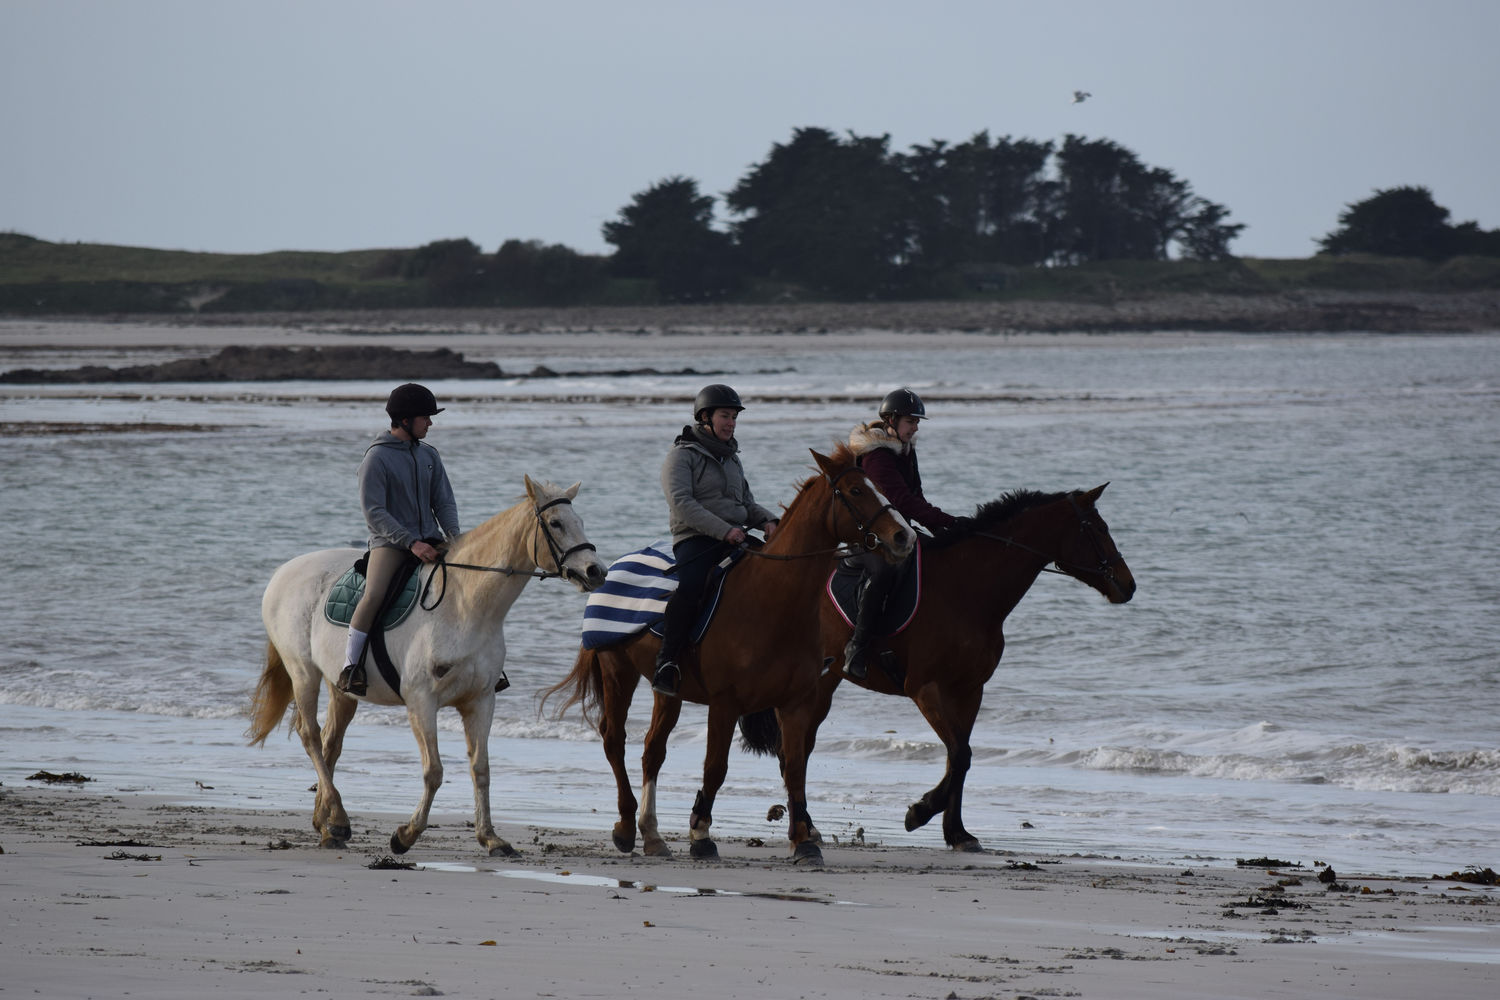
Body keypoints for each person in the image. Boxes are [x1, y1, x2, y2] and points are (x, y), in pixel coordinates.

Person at [652, 384, 779, 697]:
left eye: (735, 417)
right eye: (725, 416)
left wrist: (769, 520)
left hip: (734, 538)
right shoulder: (681, 456)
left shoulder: (732, 459)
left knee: (778, 576)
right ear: (705, 417)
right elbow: (681, 502)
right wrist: (724, 530)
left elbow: (745, 504)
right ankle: (667, 661)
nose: (731, 423)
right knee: (692, 586)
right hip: (695, 539)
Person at [337, 383, 461, 696]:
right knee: (374, 595)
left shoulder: (429, 455)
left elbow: (443, 502)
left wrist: (456, 539)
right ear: (405, 420)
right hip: (391, 544)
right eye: (425, 418)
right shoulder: (376, 458)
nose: (430, 423)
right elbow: (374, 512)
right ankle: (351, 667)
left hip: (431, 539)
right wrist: (410, 543)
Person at [842, 386, 965, 680]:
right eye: (911, 422)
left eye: (917, 423)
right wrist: (947, 520)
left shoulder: (907, 451)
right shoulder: (877, 456)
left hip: (898, 532)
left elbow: (917, 499)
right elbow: (901, 501)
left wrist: (943, 528)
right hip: (869, 537)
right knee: (884, 572)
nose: (915, 428)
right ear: (891, 421)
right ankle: (857, 648)